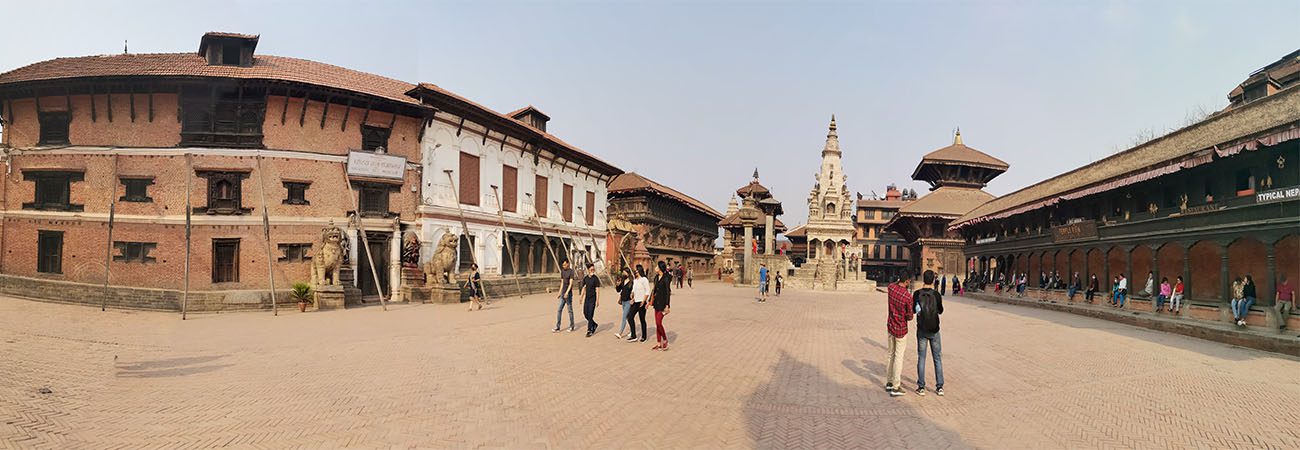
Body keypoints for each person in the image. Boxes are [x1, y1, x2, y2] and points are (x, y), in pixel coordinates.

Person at [913, 270, 945, 397]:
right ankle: (940, 387)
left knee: (922, 357)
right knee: (937, 358)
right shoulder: (936, 295)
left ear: (923, 279)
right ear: (932, 281)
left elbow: (913, 311)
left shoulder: (916, 294)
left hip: (922, 330)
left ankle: (921, 387)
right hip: (934, 330)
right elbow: (941, 311)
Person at [885, 275, 914, 397]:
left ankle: (889, 382)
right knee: (898, 356)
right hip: (901, 329)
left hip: (891, 326)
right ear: (907, 281)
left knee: (891, 354)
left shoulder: (891, 288)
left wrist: (900, 280)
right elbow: (910, 316)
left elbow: (893, 284)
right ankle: (896, 386)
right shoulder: (907, 297)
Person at [650, 261, 672, 350]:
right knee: (657, 324)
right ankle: (659, 343)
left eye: (656, 266)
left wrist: (667, 305)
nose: (655, 267)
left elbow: (667, 292)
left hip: (663, 304)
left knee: (659, 323)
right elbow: (654, 290)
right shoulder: (656, 277)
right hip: (656, 303)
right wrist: (649, 302)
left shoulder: (666, 278)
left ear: (660, 268)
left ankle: (665, 339)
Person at [628, 265, 650, 342]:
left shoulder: (644, 280)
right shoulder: (635, 280)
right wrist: (632, 295)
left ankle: (644, 336)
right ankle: (633, 335)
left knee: (642, 319)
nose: (634, 272)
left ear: (639, 270)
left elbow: (647, 291)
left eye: (636, 270)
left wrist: (644, 301)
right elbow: (633, 290)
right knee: (629, 316)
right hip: (635, 301)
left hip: (642, 302)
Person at [553, 260, 576, 333]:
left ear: (568, 264)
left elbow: (571, 283)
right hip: (563, 294)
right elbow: (562, 282)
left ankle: (572, 326)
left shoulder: (571, 272)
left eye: (565, 265)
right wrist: (559, 292)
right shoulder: (562, 271)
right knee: (559, 310)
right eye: (563, 265)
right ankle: (557, 327)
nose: (564, 266)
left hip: (568, 294)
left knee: (570, 311)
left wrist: (567, 292)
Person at [579, 263, 601, 337]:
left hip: (593, 299)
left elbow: (597, 289)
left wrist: (597, 300)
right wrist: (581, 297)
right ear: (588, 270)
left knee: (590, 314)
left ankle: (589, 330)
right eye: (591, 269)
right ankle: (594, 324)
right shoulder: (585, 278)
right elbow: (583, 288)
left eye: (593, 269)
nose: (592, 271)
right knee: (585, 314)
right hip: (587, 299)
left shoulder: (595, 279)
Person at [614, 268, 634, 339]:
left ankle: (620, 333)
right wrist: (617, 285)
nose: (623, 274)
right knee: (628, 317)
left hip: (629, 301)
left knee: (624, 317)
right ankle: (632, 331)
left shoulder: (632, 282)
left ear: (628, 273)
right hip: (623, 301)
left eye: (624, 273)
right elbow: (618, 290)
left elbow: (634, 291)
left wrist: (633, 299)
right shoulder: (623, 281)